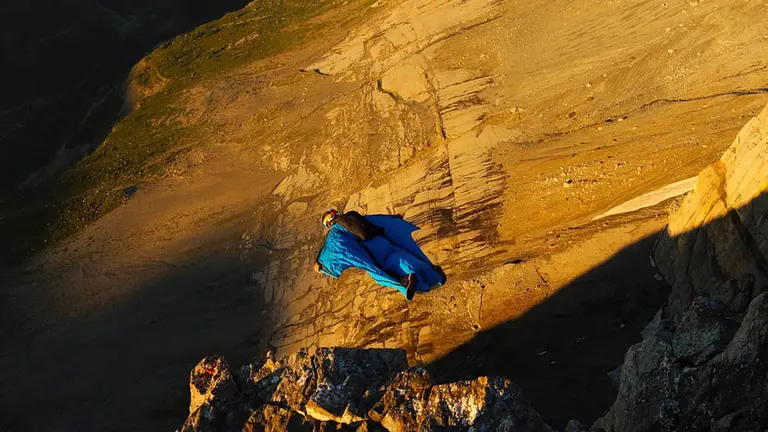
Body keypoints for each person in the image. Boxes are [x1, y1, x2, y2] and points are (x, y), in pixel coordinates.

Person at [314, 208, 446, 300]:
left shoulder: (335, 234)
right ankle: (433, 274)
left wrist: (321, 266)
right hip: (384, 242)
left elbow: (336, 253)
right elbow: (380, 219)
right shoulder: (357, 217)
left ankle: (406, 282)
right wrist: (395, 219)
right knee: (402, 257)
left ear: (328, 224)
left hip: (372, 252)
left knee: (381, 274)